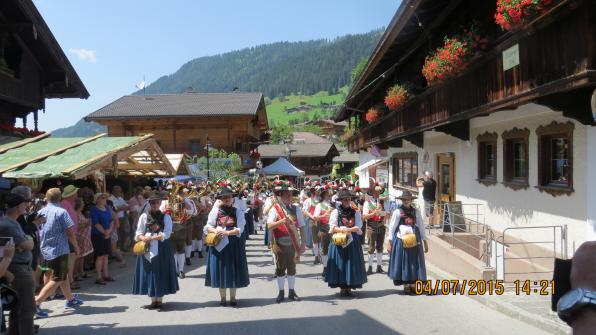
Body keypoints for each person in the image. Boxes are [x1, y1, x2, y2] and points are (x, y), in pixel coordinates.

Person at [35, 188, 84, 315]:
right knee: (58, 278)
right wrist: (76, 246)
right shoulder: (61, 212)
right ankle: (36, 303)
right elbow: (69, 232)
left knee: (63, 275)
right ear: (60, 198)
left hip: (44, 248)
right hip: (59, 249)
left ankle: (70, 299)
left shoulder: (41, 211)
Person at [133, 191, 178, 310]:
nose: (155, 204)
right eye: (153, 203)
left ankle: (160, 299)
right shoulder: (144, 216)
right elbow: (138, 233)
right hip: (146, 246)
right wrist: (144, 238)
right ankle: (153, 299)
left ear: (160, 203)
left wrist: (153, 238)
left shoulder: (166, 216)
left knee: (160, 271)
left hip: (162, 247)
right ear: (150, 203)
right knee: (149, 271)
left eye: (157, 202)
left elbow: (167, 233)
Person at [204, 187, 249, 306]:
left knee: (232, 270)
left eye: (229, 197)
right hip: (218, 244)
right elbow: (208, 226)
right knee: (220, 271)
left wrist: (227, 233)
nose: (227, 199)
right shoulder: (215, 211)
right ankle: (223, 298)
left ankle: (233, 297)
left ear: (232, 199)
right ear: (221, 199)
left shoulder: (238, 211)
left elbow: (241, 228)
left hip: (233, 245)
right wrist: (216, 231)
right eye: (224, 197)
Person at [0, 193, 36, 334]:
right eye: (24, 203)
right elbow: (27, 245)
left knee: (18, 307)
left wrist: (26, 241)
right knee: (26, 309)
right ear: (18, 206)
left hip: (20, 268)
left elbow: (25, 243)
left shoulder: (12, 222)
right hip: (18, 270)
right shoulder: (8, 224)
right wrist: (28, 241)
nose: (27, 206)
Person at [267, 181, 306, 303]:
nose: (289, 197)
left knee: (292, 268)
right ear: (281, 195)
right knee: (280, 268)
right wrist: (281, 221)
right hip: (279, 243)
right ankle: (281, 292)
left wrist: (303, 243)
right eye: (286, 194)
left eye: (290, 194)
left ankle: (292, 291)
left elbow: (302, 226)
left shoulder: (296, 209)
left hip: (292, 243)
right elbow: (269, 226)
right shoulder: (275, 209)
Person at [324, 189, 367, 297]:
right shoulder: (335, 212)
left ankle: (349, 286)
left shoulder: (356, 212)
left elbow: (359, 226)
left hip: (352, 241)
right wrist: (343, 230)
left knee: (351, 263)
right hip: (339, 241)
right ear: (341, 201)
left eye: (348, 199)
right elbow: (332, 227)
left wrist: (349, 230)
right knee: (341, 263)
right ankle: (342, 287)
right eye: (345, 199)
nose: (347, 201)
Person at [387, 191, 428, 293]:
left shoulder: (416, 212)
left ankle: (413, 283)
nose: (406, 201)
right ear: (402, 200)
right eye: (404, 199)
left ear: (411, 200)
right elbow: (392, 228)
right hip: (401, 240)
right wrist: (390, 242)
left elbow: (421, 226)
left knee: (414, 261)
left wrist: (425, 241)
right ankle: (406, 283)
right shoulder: (397, 212)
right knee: (404, 261)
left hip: (414, 239)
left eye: (408, 199)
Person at [90, 193, 114, 285]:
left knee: (106, 255)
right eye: (102, 198)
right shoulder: (94, 210)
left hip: (107, 234)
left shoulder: (107, 208)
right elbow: (96, 223)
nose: (104, 199)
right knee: (100, 256)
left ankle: (106, 275)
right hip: (98, 235)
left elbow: (111, 220)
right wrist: (105, 232)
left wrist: (109, 231)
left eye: (105, 198)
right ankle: (99, 277)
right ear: (97, 199)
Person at [362, 185, 387, 274]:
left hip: (381, 226)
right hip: (371, 226)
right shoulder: (367, 202)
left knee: (380, 247)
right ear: (372, 192)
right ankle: (369, 267)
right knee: (371, 247)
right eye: (376, 191)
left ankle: (379, 267)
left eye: (379, 191)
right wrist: (374, 213)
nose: (378, 193)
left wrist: (384, 217)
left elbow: (385, 214)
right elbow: (364, 216)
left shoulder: (382, 202)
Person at [60, 185, 81, 290]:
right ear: (72, 194)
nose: (77, 194)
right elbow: (65, 222)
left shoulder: (70, 203)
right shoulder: (64, 204)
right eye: (76, 192)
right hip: (68, 235)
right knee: (70, 259)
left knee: (72, 258)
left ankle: (70, 280)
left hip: (71, 234)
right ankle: (70, 281)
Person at [313, 188, 333, 277]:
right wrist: (324, 215)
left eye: (331, 194)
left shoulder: (334, 204)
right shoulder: (319, 205)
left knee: (335, 249)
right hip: (324, 229)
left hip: (334, 229)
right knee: (325, 250)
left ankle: (333, 267)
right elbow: (315, 218)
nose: (330, 195)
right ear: (324, 195)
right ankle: (325, 268)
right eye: (328, 194)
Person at [74, 198, 93, 280]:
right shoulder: (76, 214)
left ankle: (81, 272)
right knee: (78, 256)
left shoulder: (80, 213)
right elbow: (76, 227)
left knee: (82, 255)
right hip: (79, 236)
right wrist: (86, 224)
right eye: (82, 204)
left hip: (84, 236)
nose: (84, 205)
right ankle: (76, 274)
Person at [110, 186, 130, 251]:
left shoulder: (120, 198)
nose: (119, 192)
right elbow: (114, 209)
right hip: (114, 219)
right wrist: (121, 207)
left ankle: (122, 247)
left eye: (120, 191)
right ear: (113, 191)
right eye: (118, 191)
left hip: (122, 218)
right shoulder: (110, 199)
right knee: (116, 234)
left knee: (123, 233)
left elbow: (127, 206)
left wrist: (120, 208)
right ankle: (116, 249)